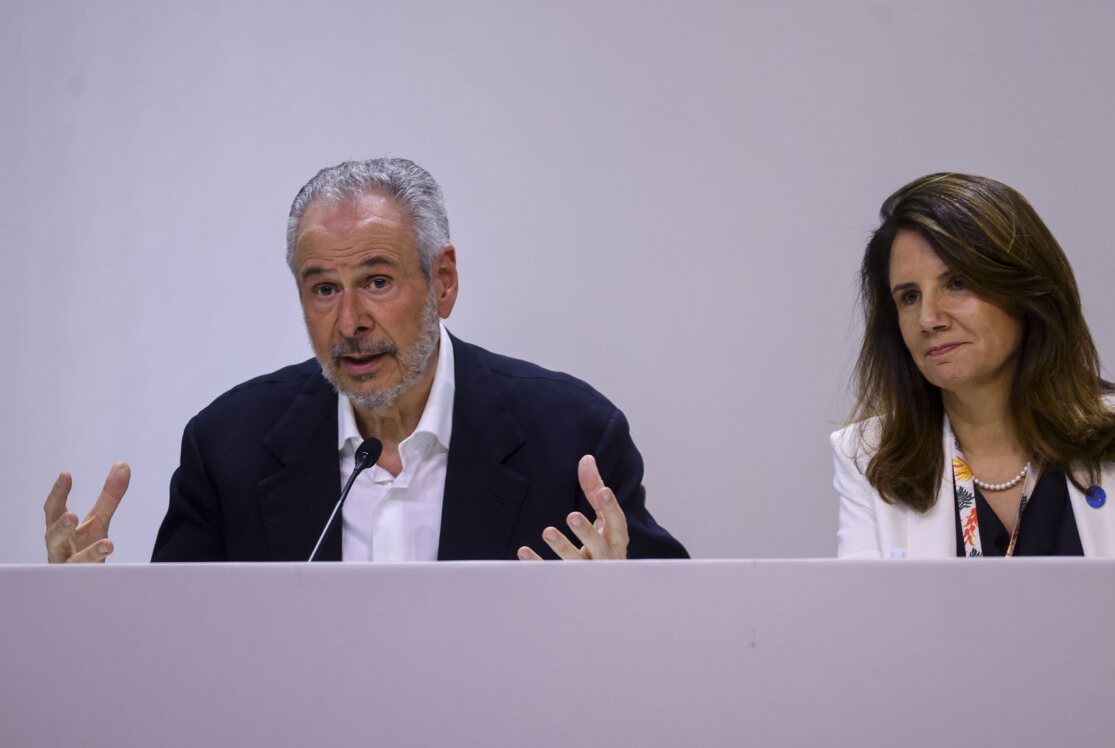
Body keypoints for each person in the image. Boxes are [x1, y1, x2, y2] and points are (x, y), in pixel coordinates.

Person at [45, 158, 687, 563]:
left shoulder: (571, 439)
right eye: (324, 289)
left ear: (444, 282)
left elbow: (671, 642)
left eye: (377, 282)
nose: (348, 322)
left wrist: (617, 605)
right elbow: (175, 659)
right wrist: (88, 609)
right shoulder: (227, 450)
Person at [833, 172, 1115, 558]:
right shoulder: (868, 458)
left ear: (1025, 291)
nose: (929, 318)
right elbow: (867, 621)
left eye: (957, 283)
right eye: (910, 297)